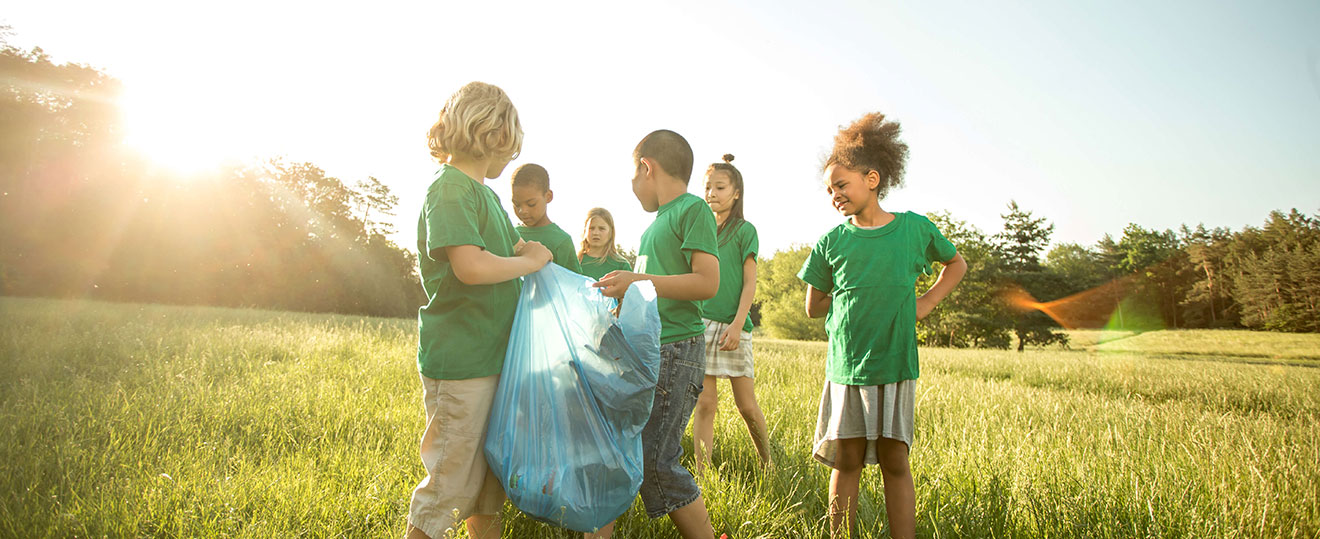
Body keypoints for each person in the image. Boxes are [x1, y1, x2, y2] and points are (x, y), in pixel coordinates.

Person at [797, 112, 967, 539]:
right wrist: (845, 292)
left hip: (894, 363)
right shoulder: (831, 242)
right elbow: (812, 308)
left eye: (841, 184)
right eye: (829, 189)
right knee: (847, 459)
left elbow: (956, 263)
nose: (834, 195)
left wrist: (926, 302)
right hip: (848, 366)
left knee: (895, 459)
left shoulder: (913, 229)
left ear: (872, 178)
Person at [406, 81, 552, 539]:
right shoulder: (449, 189)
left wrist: (524, 252)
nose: (511, 155)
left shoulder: (486, 195)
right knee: (450, 481)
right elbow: (470, 266)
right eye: (509, 143)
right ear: (491, 135)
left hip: (494, 359)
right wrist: (527, 261)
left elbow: (500, 254)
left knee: (489, 486)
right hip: (462, 361)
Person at [590, 130, 720, 539]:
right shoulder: (655, 226)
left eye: (634, 175)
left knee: (658, 463)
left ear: (647, 167)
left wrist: (638, 280)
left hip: (678, 351)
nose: (632, 187)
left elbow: (707, 283)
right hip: (651, 352)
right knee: (621, 447)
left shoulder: (691, 210)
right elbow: (651, 294)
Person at [691, 154, 771, 473]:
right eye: (707, 187)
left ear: (735, 192)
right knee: (705, 403)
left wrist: (738, 325)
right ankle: (703, 474)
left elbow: (749, 282)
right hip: (701, 322)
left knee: (746, 406)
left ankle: (768, 464)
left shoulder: (744, 231)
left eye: (719, 187)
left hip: (734, 323)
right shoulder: (699, 228)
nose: (712, 193)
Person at [511, 163, 583, 274]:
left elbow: (573, 285)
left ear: (548, 196)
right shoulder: (511, 235)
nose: (522, 211)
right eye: (517, 204)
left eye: (531, 204)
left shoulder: (561, 241)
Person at [577, 207, 634, 281]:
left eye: (601, 229)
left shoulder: (621, 265)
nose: (596, 233)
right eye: (591, 228)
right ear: (585, 230)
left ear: (611, 232)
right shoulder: (576, 262)